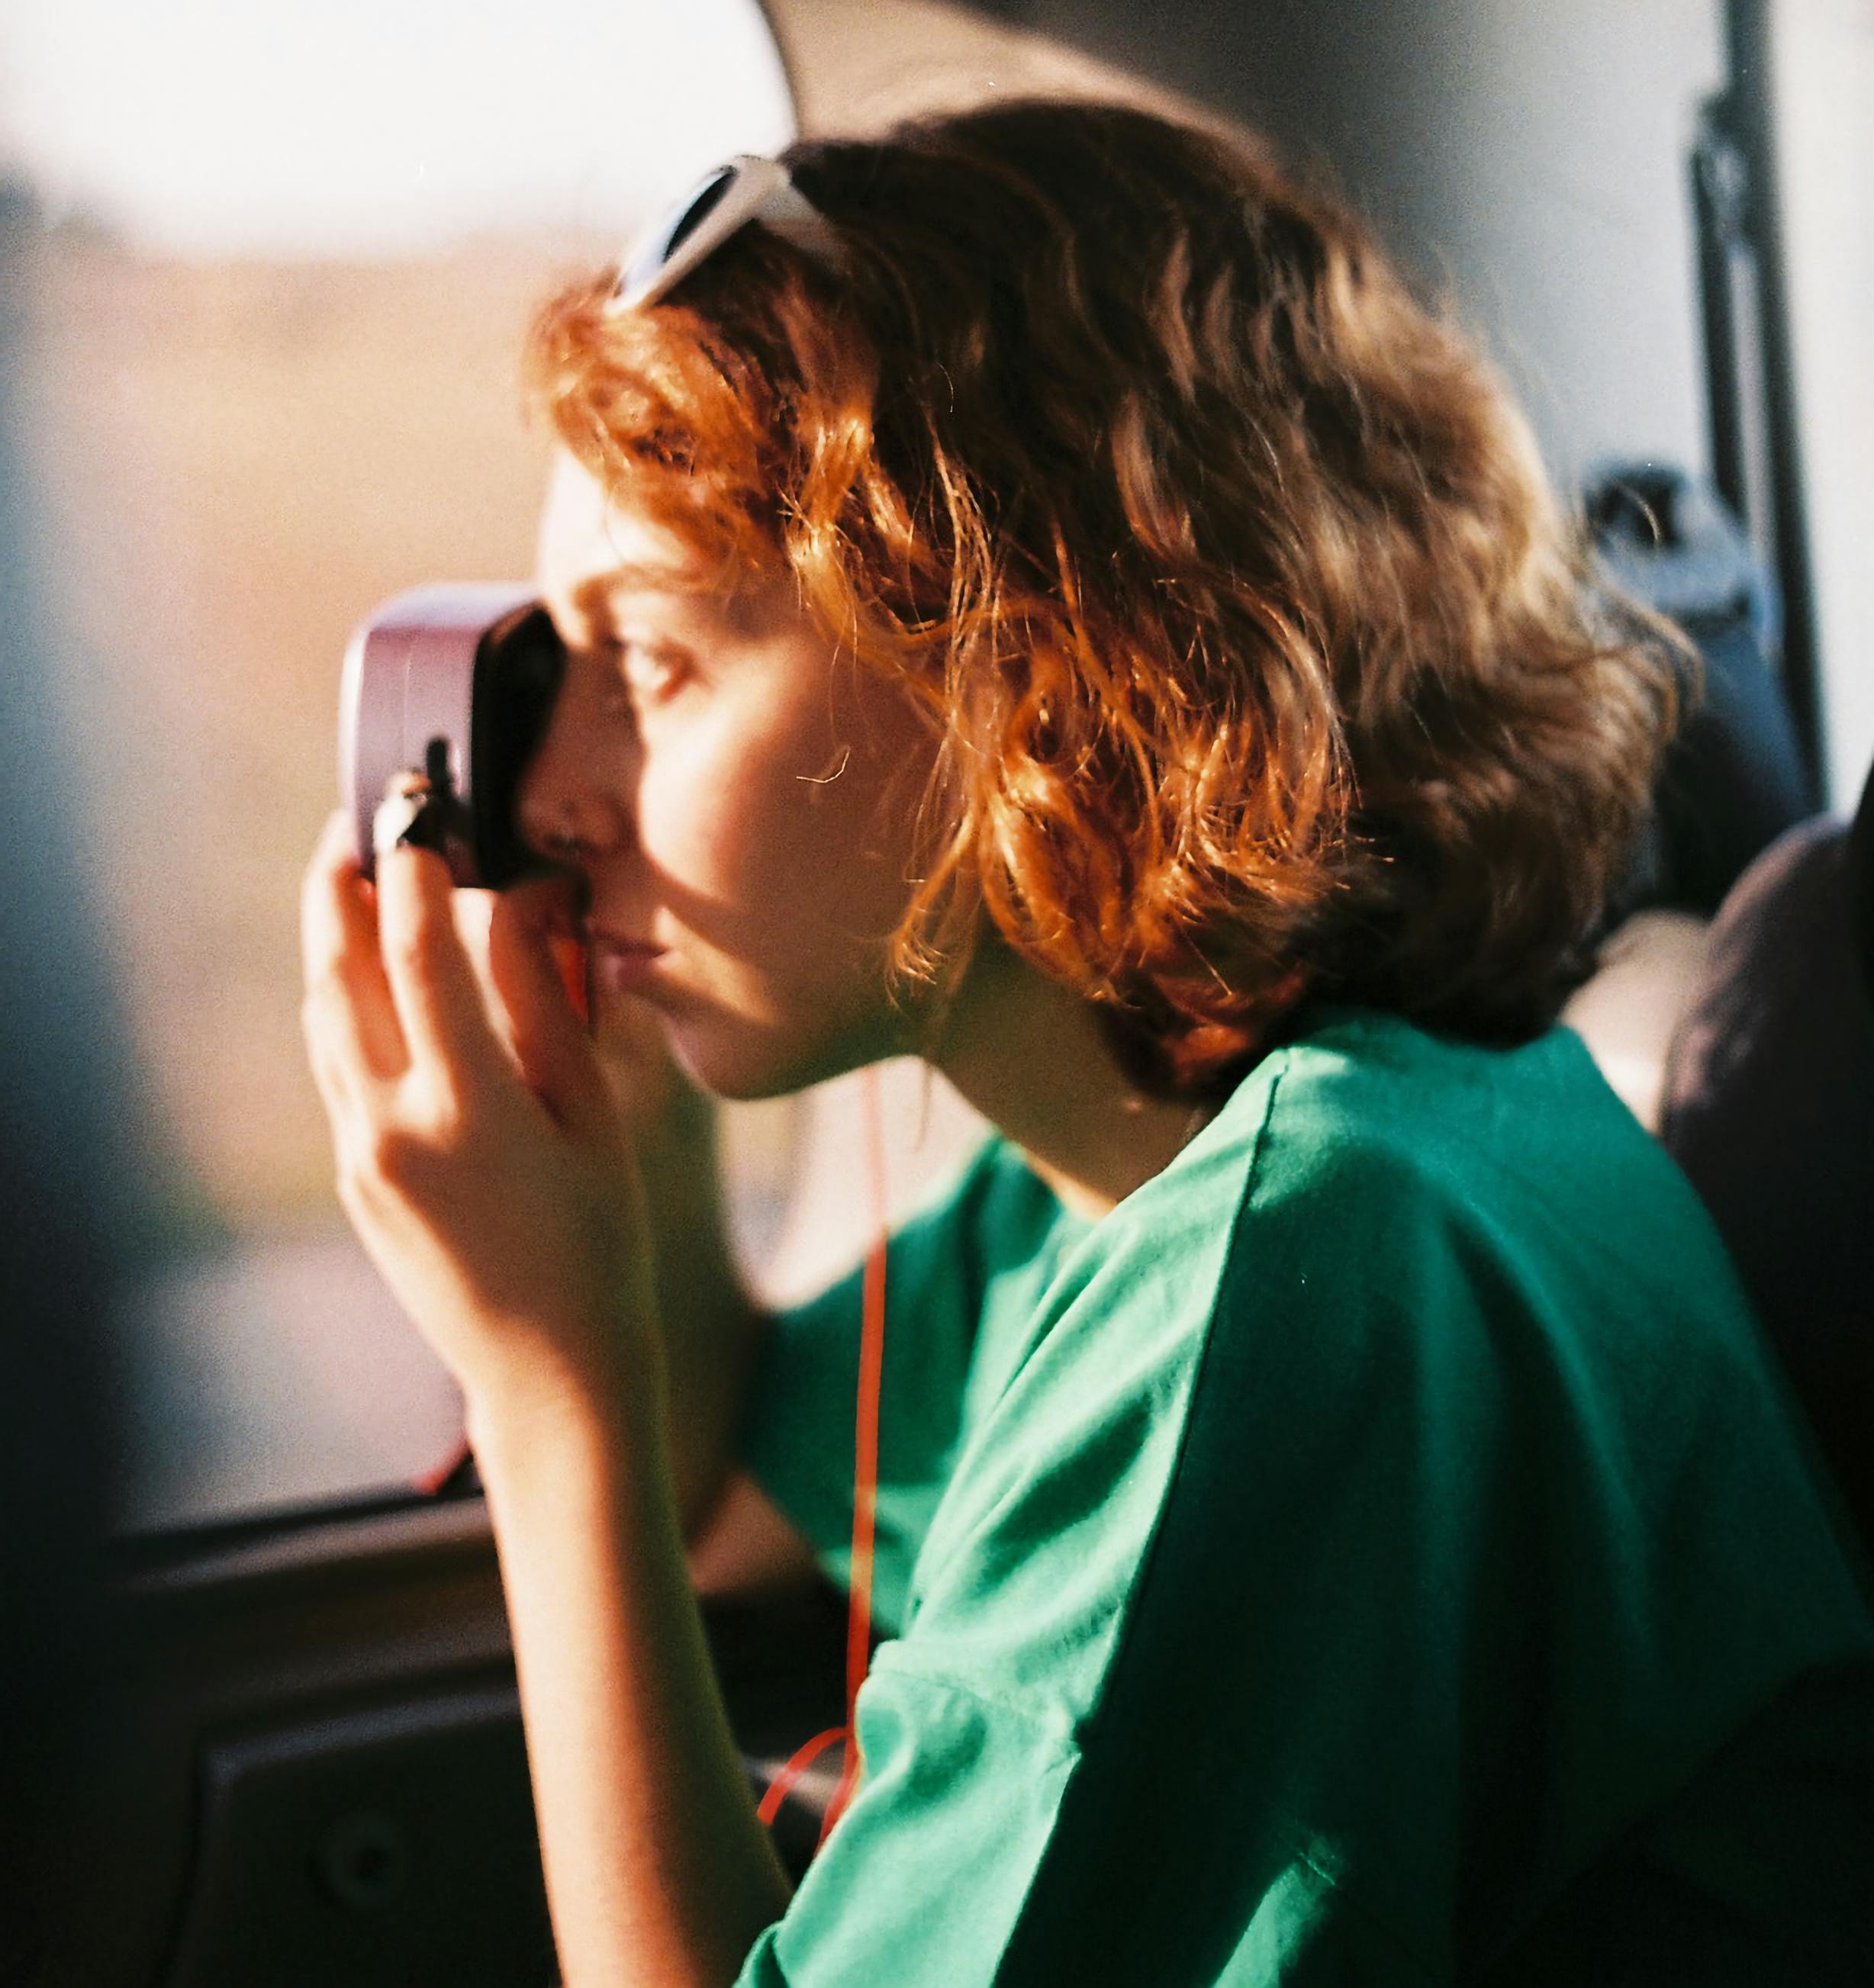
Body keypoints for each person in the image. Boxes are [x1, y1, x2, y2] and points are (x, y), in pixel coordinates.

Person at [301, 102, 1874, 1988]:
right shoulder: (1134, 1162)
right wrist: (620, 1143)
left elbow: (638, 1497)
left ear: (1043, 664)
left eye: (648, 666)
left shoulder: (1306, 1264)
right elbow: (724, 1523)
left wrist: (546, 1384)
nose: (552, 796)